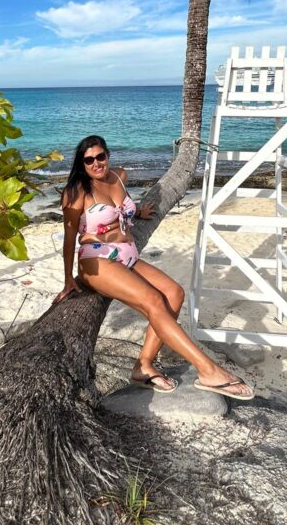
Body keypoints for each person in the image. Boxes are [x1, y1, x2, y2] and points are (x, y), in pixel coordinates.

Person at [54, 135, 254, 399]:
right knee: (154, 301)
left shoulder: (119, 176)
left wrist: (137, 212)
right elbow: (69, 237)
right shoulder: (76, 191)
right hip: (96, 259)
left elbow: (120, 208)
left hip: (126, 254)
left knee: (174, 293)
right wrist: (68, 279)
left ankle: (143, 366)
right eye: (88, 160)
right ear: (82, 164)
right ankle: (208, 370)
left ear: (107, 155)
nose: (96, 163)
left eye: (100, 156)